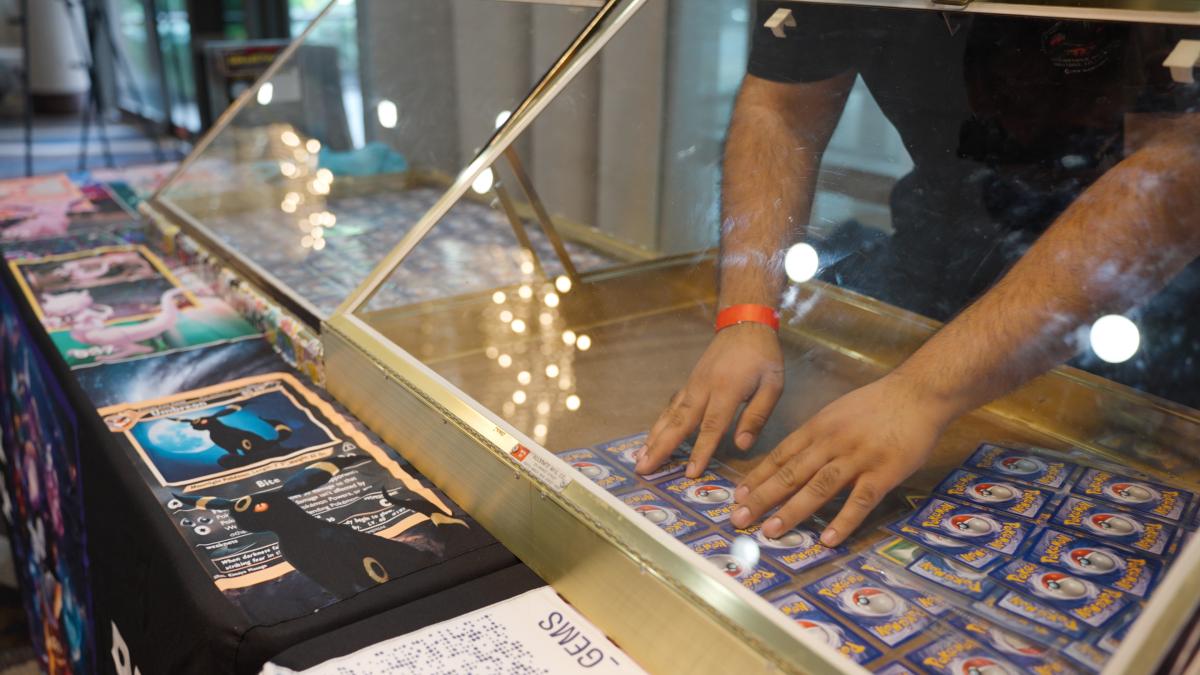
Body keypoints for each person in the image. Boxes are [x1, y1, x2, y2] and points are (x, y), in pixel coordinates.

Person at [635, 3, 1200, 547]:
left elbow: (1180, 164)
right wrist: (747, 313)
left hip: (1145, 308)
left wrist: (922, 391)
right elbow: (783, 105)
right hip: (942, 237)